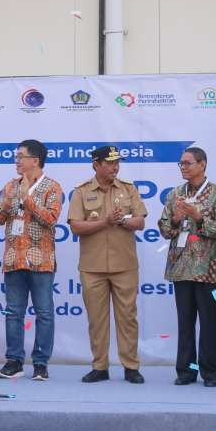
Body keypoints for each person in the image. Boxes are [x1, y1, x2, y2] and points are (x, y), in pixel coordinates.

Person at [67, 145, 148, 384]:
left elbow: (140, 222)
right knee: (97, 319)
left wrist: (120, 220)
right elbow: (75, 226)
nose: (115, 167)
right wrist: (105, 222)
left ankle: (131, 366)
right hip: (92, 267)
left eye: (117, 163)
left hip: (124, 264)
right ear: (96, 164)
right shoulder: (81, 192)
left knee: (128, 317)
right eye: (110, 163)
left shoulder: (128, 189)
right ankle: (99, 366)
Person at [0, 139, 63, 381]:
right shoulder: (11, 186)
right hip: (13, 259)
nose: (17, 160)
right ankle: (14, 361)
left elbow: (51, 219)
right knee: (13, 312)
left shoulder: (52, 187)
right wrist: (10, 202)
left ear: (36, 160)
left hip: (41, 260)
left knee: (44, 313)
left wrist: (28, 200)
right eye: (16, 156)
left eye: (21, 156)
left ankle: (41, 363)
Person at [157, 147, 216, 387]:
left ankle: (211, 373)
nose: (183, 167)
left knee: (210, 323)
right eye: (181, 164)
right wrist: (177, 219)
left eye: (188, 163)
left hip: (209, 271)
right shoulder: (176, 194)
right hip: (181, 268)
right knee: (185, 322)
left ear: (202, 164)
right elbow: (165, 229)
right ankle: (187, 371)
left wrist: (198, 217)